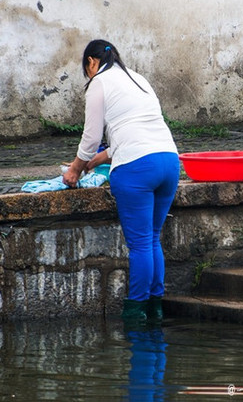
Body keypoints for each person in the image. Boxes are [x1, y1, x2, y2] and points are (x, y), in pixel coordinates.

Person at [63, 39, 179, 325]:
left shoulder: (98, 82)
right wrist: (98, 159)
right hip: (169, 161)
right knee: (152, 238)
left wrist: (75, 169)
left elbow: (90, 138)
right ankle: (155, 308)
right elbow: (136, 130)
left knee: (139, 244)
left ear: (91, 62)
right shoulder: (137, 78)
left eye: (86, 68)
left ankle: (135, 313)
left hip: (137, 169)